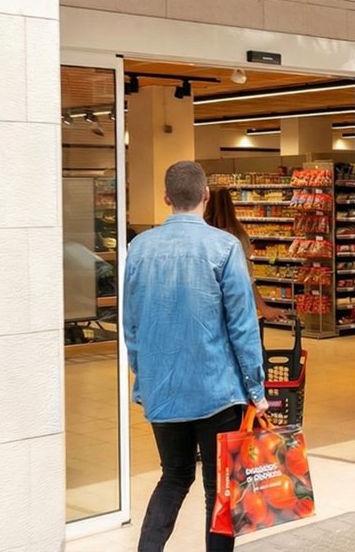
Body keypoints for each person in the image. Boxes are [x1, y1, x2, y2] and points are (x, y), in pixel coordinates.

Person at [123, 161, 269, 552]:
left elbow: (131, 324)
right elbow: (242, 326)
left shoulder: (139, 249)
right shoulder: (225, 247)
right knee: (219, 487)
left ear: (166, 197)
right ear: (205, 194)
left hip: (163, 391)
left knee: (173, 477)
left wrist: (144, 376)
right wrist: (256, 388)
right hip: (217, 390)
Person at [204, 185, 287, 323]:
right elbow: (247, 277)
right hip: (235, 305)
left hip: (207, 305)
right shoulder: (238, 235)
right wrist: (263, 307)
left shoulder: (201, 236)